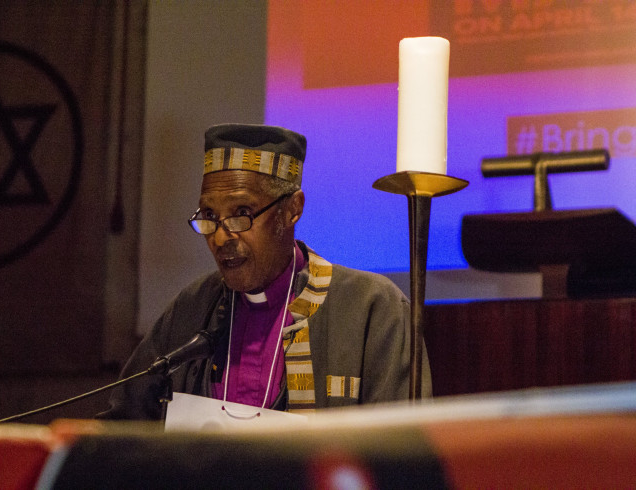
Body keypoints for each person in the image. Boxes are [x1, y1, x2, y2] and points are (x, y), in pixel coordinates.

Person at [102, 123, 431, 420]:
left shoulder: (373, 308)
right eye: (209, 215)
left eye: (241, 213)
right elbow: (121, 432)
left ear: (292, 209)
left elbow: (401, 453)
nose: (219, 237)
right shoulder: (192, 306)